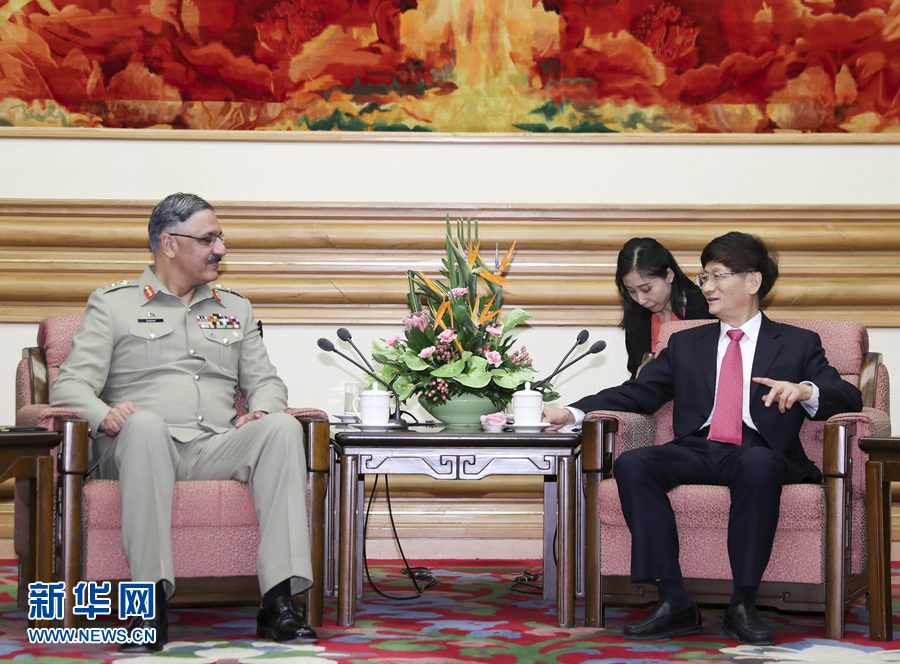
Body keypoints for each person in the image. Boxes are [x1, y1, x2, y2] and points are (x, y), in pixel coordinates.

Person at [543, 231, 862, 645]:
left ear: (752, 281)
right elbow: (638, 392)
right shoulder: (686, 342)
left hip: (759, 450)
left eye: (717, 276)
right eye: (704, 277)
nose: (706, 287)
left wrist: (805, 390)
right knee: (634, 463)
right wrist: (572, 411)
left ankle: (742, 604)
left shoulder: (797, 343)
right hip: (698, 447)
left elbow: (847, 396)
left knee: (758, 465)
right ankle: (673, 600)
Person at [51, 193, 316, 652]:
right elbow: (70, 386)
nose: (221, 249)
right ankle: (147, 603)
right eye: (208, 239)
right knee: (146, 426)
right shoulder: (113, 304)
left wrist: (263, 407)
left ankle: (278, 602)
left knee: (282, 429)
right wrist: (104, 415)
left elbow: (266, 382)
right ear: (169, 244)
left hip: (213, 445)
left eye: (221, 237)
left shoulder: (234, 307)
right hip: (136, 447)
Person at [616, 237, 710, 378]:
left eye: (646, 289)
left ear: (669, 275)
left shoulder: (706, 307)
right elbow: (636, 373)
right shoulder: (637, 318)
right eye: (631, 291)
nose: (640, 300)